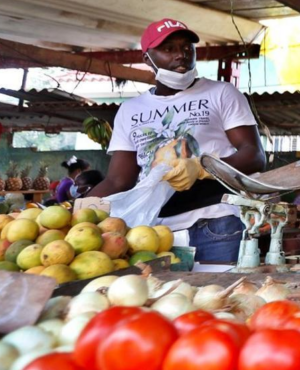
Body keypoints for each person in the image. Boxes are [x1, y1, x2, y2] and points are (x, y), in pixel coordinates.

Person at [89, 18, 265, 262]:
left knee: (216, 296)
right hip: (151, 231)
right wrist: (78, 207)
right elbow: (119, 180)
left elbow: (254, 155)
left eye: (186, 47)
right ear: (147, 58)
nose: (181, 55)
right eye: (168, 49)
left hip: (215, 222)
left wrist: (202, 168)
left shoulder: (221, 93)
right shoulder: (130, 110)